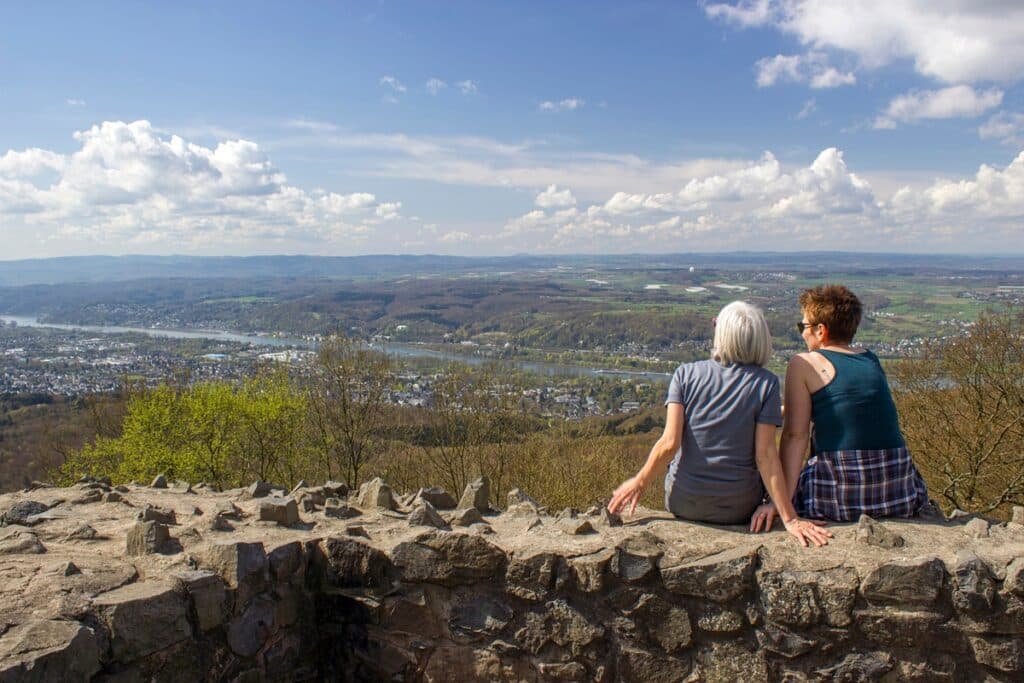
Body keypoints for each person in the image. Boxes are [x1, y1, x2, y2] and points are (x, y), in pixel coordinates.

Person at [608, 301, 832, 547]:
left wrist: (639, 481)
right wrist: (789, 518)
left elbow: (669, 443)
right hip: (738, 508)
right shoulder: (765, 384)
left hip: (682, 502)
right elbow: (765, 456)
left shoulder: (685, 374)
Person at [763, 284, 929, 525]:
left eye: (804, 326)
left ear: (821, 331)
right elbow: (843, 407)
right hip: (899, 492)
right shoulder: (869, 358)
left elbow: (794, 436)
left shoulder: (805, 363)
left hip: (842, 495)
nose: (802, 333)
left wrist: (780, 504)